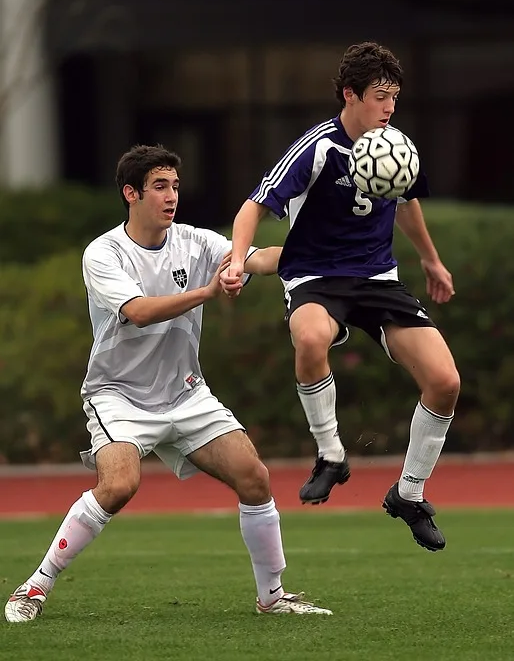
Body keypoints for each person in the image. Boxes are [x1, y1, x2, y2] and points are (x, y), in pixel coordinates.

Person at [5, 144, 332, 624]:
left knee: (255, 478)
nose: (171, 195)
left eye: (175, 186)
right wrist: (207, 290)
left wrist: (318, 255)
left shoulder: (195, 242)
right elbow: (136, 313)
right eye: (159, 186)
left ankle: (272, 596)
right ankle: (34, 587)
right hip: (118, 395)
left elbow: (256, 258)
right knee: (119, 484)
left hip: (184, 392)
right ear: (130, 193)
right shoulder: (103, 252)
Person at [220, 42, 460, 553]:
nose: (389, 107)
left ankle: (409, 494)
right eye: (379, 96)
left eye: (394, 96)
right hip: (315, 275)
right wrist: (238, 260)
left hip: (377, 277)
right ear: (351, 95)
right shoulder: (317, 148)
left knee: (445, 382)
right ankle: (332, 455)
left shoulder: (396, 146)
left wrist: (431, 260)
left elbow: (406, 203)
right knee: (309, 339)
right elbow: (251, 206)